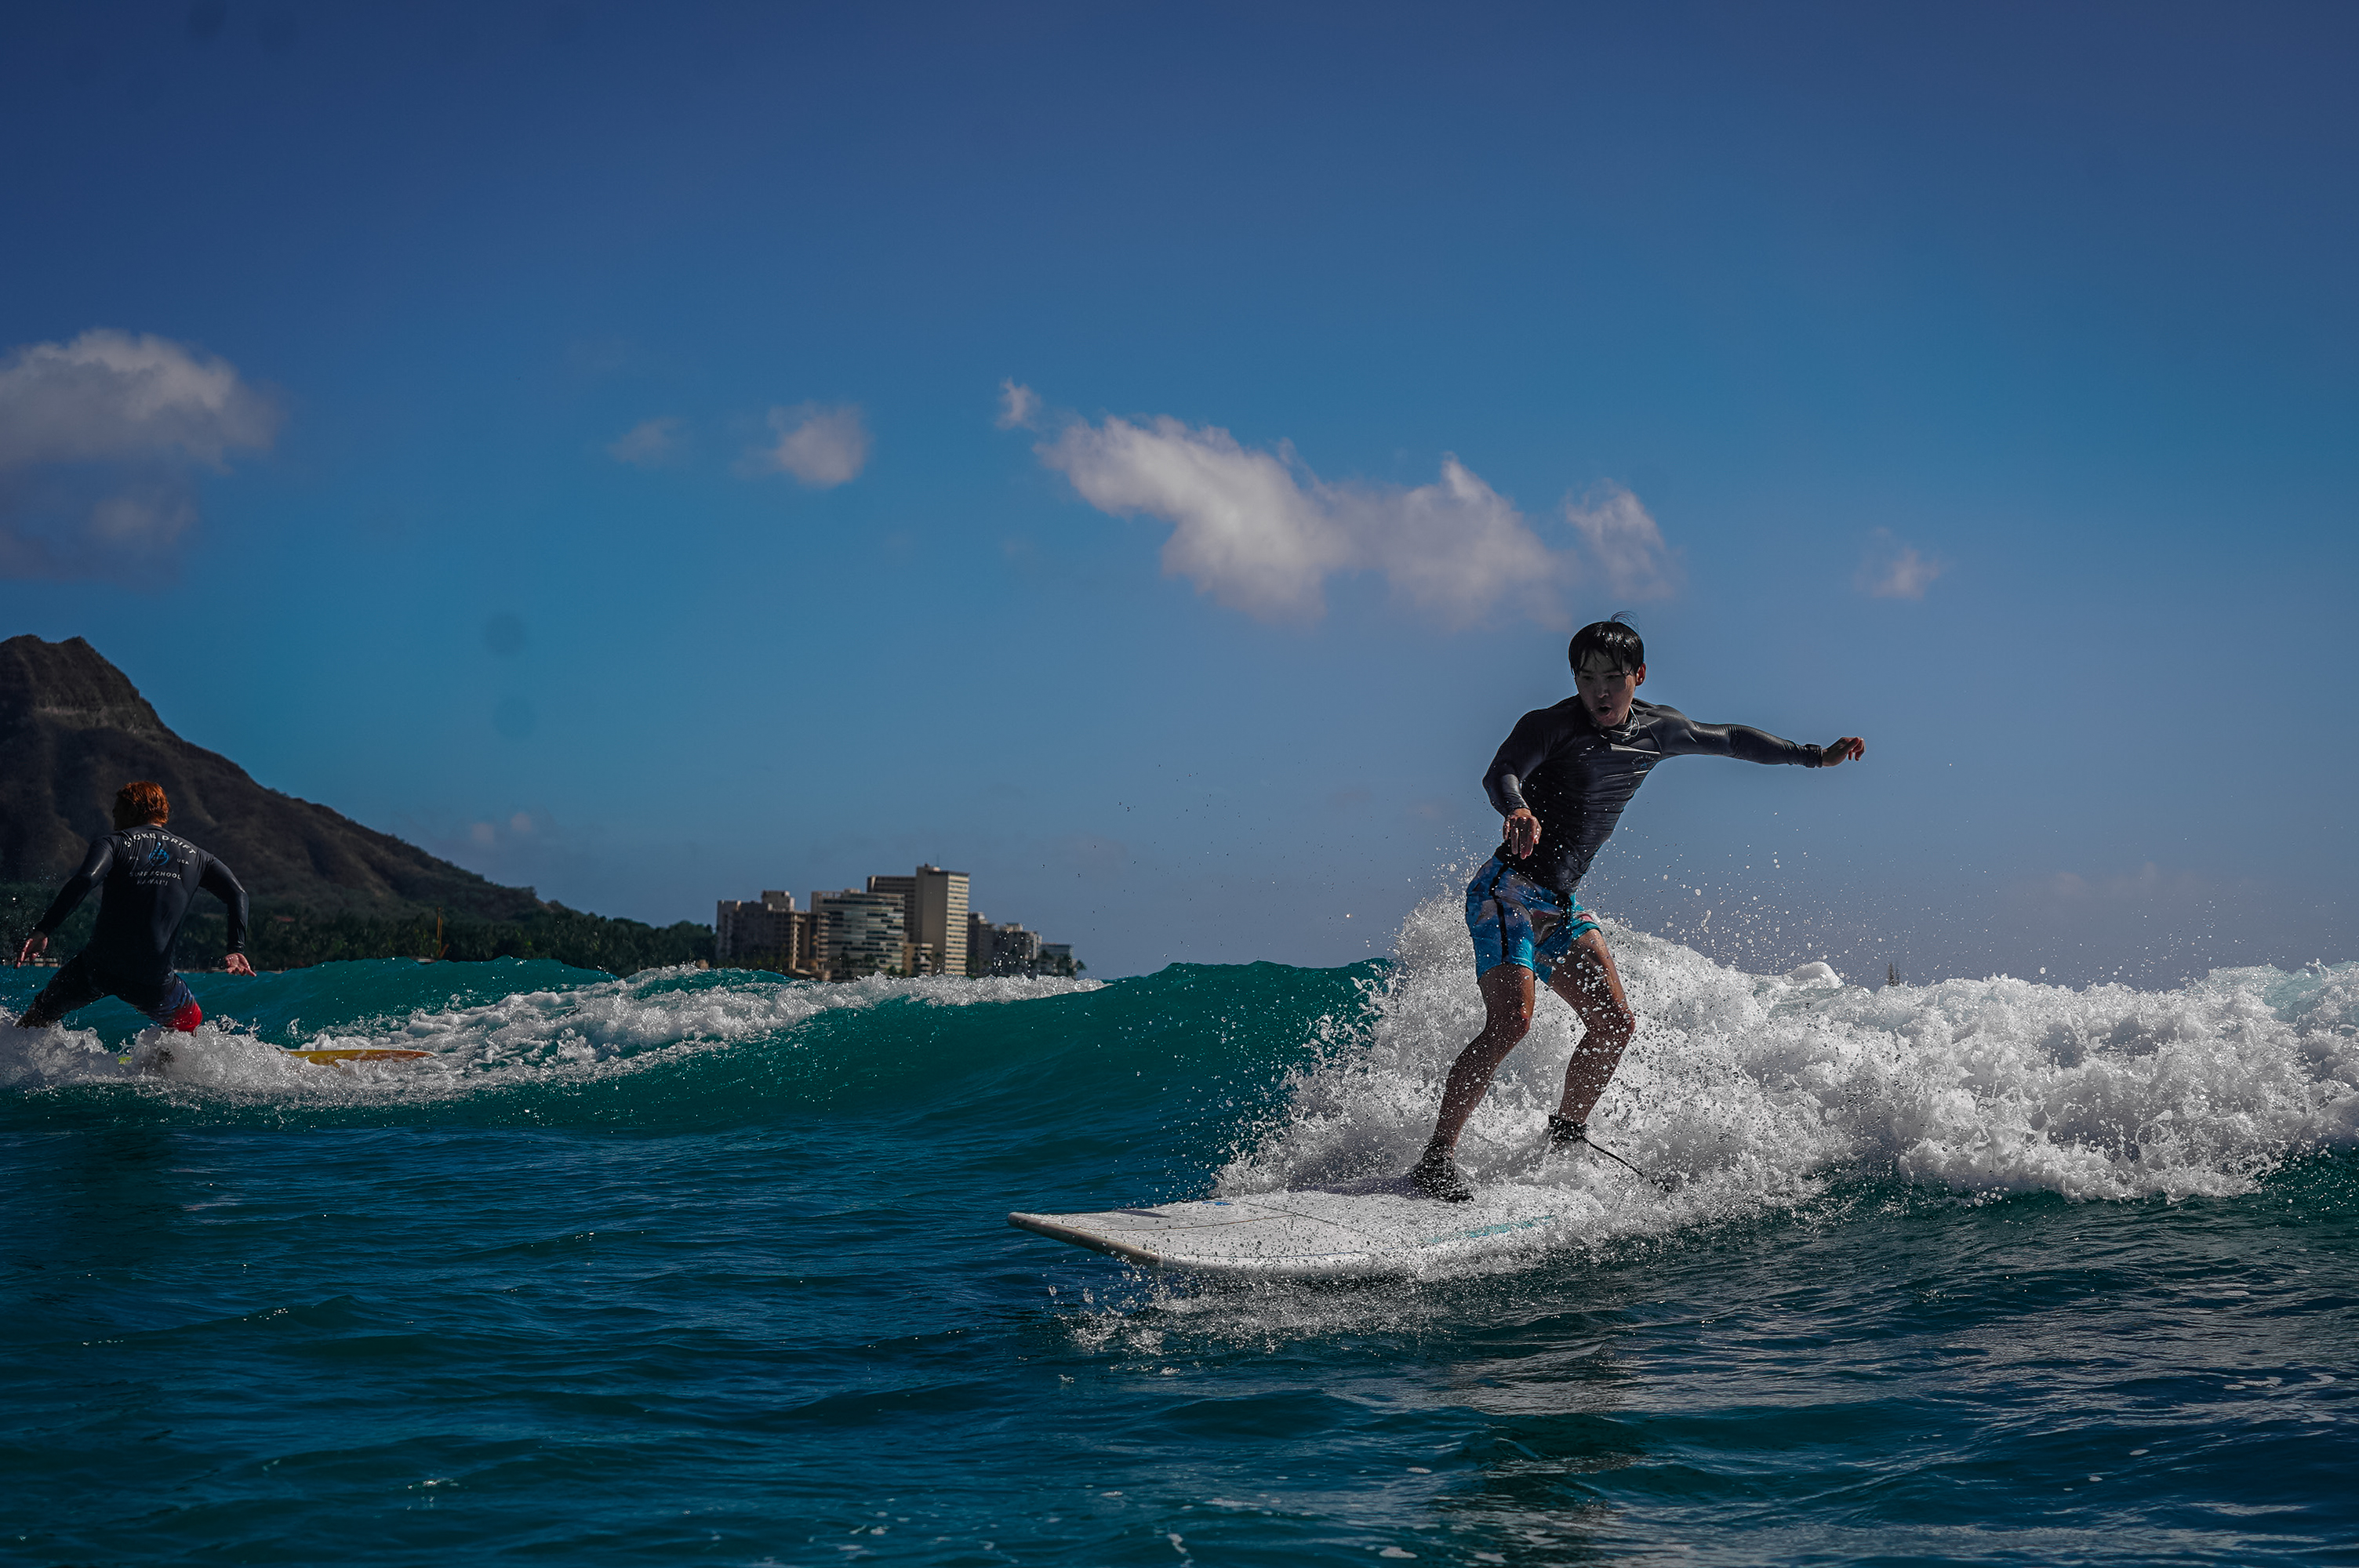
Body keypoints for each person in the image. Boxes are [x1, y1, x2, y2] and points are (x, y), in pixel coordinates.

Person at [1411, 619, 1864, 1202]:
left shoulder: (1657, 730)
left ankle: (1567, 1139)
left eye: (1612, 678)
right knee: (1512, 1023)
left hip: (1558, 903)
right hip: (1507, 892)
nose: (1599, 691)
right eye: (1586, 677)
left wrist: (1814, 758)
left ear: (1638, 676)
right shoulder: (1550, 726)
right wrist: (1518, 807)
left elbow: (1729, 739)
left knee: (1615, 1023)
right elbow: (1500, 771)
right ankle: (1436, 1159)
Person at [11, 781, 253, 1033]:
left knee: (39, 1015)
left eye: (117, 809)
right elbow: (238, 894)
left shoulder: (115, 843)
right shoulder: (198, 856)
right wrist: (235, 948)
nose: (113, 816)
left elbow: (84, 880)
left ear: (133, 809)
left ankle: (10, 1055)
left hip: (97, 969)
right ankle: (162, 1067)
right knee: (188, 1023)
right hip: (153, 979)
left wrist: (43, 930)